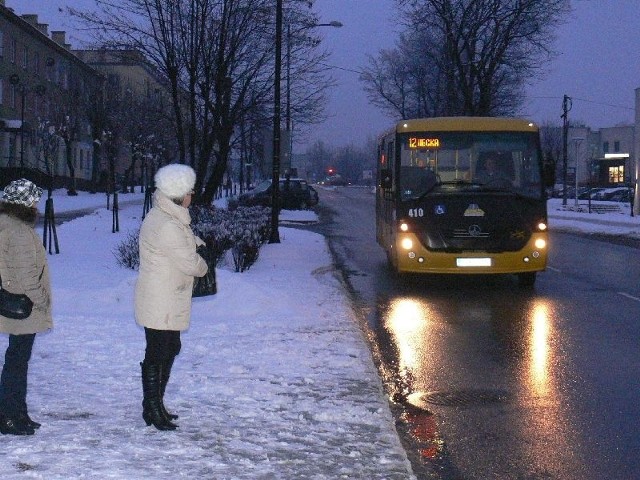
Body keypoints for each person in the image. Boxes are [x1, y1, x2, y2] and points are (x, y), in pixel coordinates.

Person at [134, 164, 208, 431]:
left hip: (164, 296)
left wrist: (195, 243)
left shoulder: (168, 215)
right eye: (190, 191)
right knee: (158, 352)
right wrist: (204, 265)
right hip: (161, 299)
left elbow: (181, 244)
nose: (193, 195)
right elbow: (189, 263)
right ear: (179, 194)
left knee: (168, 348)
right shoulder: (167, 223)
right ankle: (152, 408)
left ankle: (155, 405)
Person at [0, 179, 51, 436]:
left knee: (16, 360)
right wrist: (42, 300)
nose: (36, 203)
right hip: (24, 305)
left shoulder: (8, 224)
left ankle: (16, 412)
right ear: (24, 202)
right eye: (33, 199)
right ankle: (9, 416)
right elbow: (26, 276)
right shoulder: (18, 231)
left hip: (16, 301)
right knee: (17, 362)